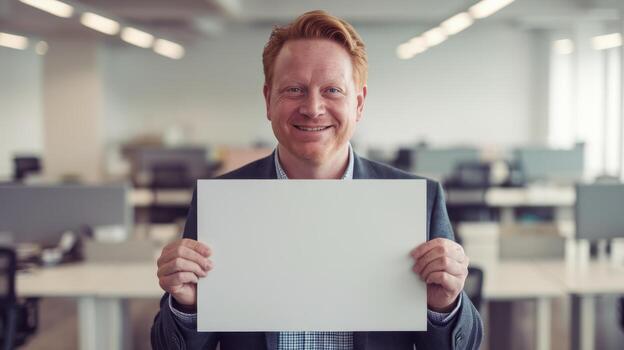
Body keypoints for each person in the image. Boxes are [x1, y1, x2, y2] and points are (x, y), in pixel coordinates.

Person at [151, 10, 483, 350]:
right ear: (268, 100)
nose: (312, 108)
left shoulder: (419, 201)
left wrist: (444, 305)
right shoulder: (221, 202)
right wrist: (188, 306)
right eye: (294, 89)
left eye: (332, 90)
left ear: (359, 103)